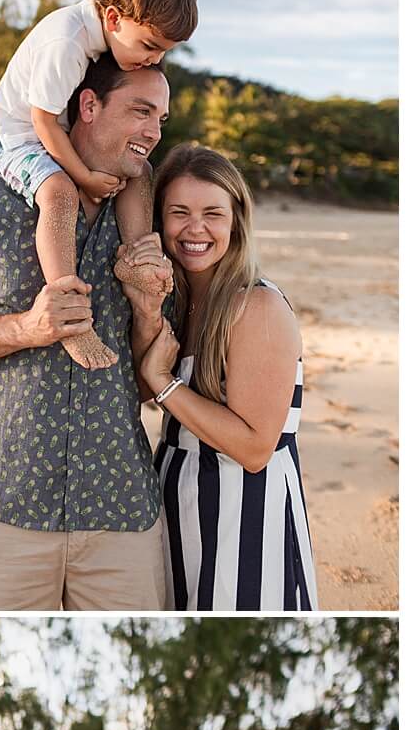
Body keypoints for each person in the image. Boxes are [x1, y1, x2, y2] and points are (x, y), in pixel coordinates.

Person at [0, 55, 175, 612]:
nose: (153, 131)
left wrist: (148, 313)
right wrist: (28, 328)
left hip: (122, 516)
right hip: (4, 508)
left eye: (161, 119)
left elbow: (149, 387)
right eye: (141, 111)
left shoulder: (151, 227)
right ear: (88, 105)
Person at [0, 0, 197, 371]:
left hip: (51, 135)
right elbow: (42, 121)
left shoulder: (104, 43)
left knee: (140, 173)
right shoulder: (67, 40)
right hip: (17, 140)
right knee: (60, 192)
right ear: (115, 18)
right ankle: (70, 313)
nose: (154, 59)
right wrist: (83, 176)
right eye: (150, 46)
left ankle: (136, 261)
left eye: (163, 52)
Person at [133, 144, 319, 609]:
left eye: (212, 213)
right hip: (178, 504)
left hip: (244, 515)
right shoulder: (176, 302)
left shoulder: (256, 306)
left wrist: (164, 381)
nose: (195, 229)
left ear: (236, 218)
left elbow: (255, 449)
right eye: (179, 212)